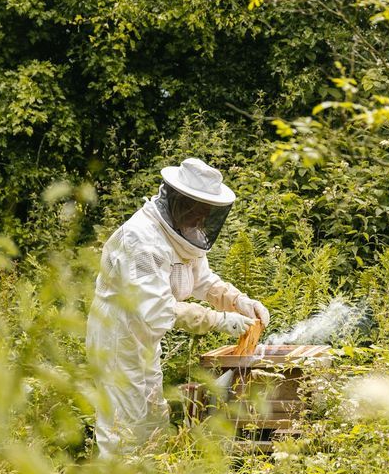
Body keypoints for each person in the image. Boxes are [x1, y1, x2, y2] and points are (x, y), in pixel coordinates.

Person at [86, 158, 270, 454]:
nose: (201, 219)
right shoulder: (141, 240)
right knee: (123, 428)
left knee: (152, 419)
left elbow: (205, 282)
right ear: (180, 202)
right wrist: (219, 320)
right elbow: (158, 310)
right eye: (197, 211)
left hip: (144, 340)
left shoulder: (186, 235)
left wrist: (239, 301)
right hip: (117, 339)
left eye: (206, 213)